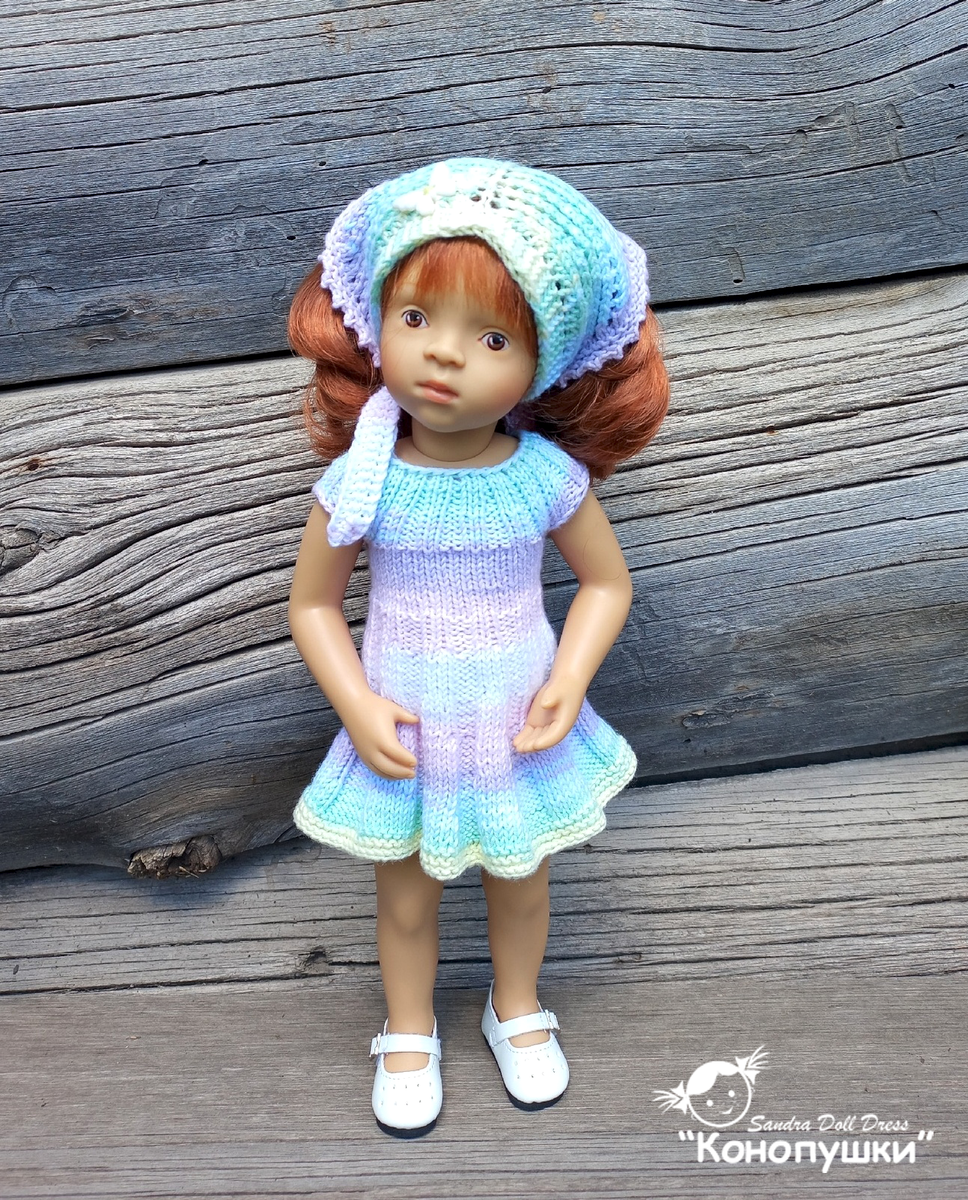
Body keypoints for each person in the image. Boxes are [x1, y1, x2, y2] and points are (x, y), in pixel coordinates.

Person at [286, 158, 669, 1137]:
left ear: (541, 362)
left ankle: (516, 1006)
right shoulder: (363, 480)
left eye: (491, 337)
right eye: (416, 318)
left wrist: (568, 677)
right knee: (405, 899)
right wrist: (356, 705)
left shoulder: (542, 477)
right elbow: (313, 606)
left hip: (513, 726)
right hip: (406, 729)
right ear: (376, 324)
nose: (443, 356)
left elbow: (606, 584)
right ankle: (408, 1029)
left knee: (522, 885)